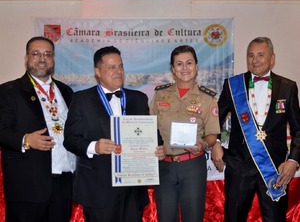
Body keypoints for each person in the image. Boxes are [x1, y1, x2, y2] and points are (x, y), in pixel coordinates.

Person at [63, 46, 165, 222]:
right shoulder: (82, 100)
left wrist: (159, 149)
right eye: (111, 67)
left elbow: (153, 135)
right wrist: (94, 146)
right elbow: (70, 139)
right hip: (98, 189)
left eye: (121, 66)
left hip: (133, 187)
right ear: (98, 72)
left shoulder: (138, 99)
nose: (118, 71)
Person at [211, 37, 300, 222]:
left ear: (272, 58)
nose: (255, 60)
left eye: (261, 55)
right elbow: (214, 119)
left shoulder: (288, 87)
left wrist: (293, 160)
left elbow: (298, 130)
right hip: (238, 166)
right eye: (250, 55)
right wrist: (215, 143)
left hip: (275, 169)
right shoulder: (233, 85)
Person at [0, 36, 76, 222]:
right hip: (27, 188)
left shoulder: (66, 91)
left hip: (64, 184)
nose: (42, 58)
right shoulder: (8, 91)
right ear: (26, 58)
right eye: (36, 54)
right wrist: (25, 140)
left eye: (47, 54)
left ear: (53, 59)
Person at [150, 45, 220, 222]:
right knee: (166, 218)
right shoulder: (160, 95)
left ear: (196, 66)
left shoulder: (208, 98)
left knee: (193, 218)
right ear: (173, 69)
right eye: (179, 64)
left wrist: (203, 144)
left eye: (189, 63)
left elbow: (212, 134)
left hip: (192, 166)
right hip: (164, 167)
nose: (185, 68)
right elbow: (150, 128)